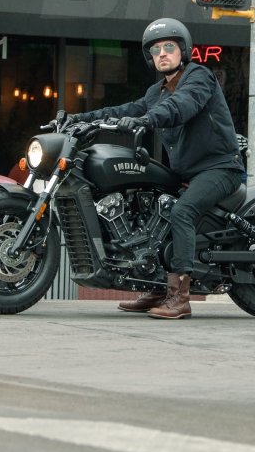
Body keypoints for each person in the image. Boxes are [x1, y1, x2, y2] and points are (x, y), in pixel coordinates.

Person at [69, 17, 243, 320]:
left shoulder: (198, 77)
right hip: (186, 172)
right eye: (155, 50)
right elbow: (126, 109)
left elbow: (182, 106)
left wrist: (147, 120)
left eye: (168, 47)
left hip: (220, 168)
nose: (162, 53)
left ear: (183, 50)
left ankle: (180, 297)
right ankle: (157, 285)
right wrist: (82, 118)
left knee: (182, 212)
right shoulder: (156, 92)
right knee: (149, 207)